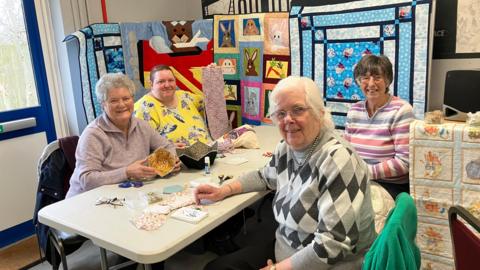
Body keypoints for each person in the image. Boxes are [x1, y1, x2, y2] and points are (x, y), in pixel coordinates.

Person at [194, 76, 377, 270]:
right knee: (217, 267)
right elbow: (264, 176)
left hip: (327, 264)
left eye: (298, 109)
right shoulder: (286, 147)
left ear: (319, 113)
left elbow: (332, 245)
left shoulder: (339, 159)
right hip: (287, 248)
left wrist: (276, 269)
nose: (288, 119)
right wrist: (224, 190)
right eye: (280, 113)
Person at [66, 73, 179, 198]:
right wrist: (127, 172)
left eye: (126, 98)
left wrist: (163, 165)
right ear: (103, 104)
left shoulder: (142, 126)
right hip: (87, 201)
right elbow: (87, 180)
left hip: (125, 195)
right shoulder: (93, 135)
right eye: (114, 100)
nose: (122, 104)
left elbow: (168, 146)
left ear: (133, 99)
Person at [344, 54, 414, 199]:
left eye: (377, 77)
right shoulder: (354, 111)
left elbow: (404, 162)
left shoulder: (401, 110)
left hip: (390, 186)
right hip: (359, 180)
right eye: (365, 78)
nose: (371, 84)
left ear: (387, 80)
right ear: (358, 81)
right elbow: (347, 151)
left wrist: (366, 172)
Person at [134, 65, 210, 146]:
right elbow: (142, 147)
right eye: (161, 81)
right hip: (175, 157)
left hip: (211, 153)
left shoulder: (185, 96)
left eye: (170, 80)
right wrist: (168, 147)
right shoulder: (143, 108)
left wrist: (212, 74)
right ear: (151, 84)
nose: (167, 85)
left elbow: (212, 105)